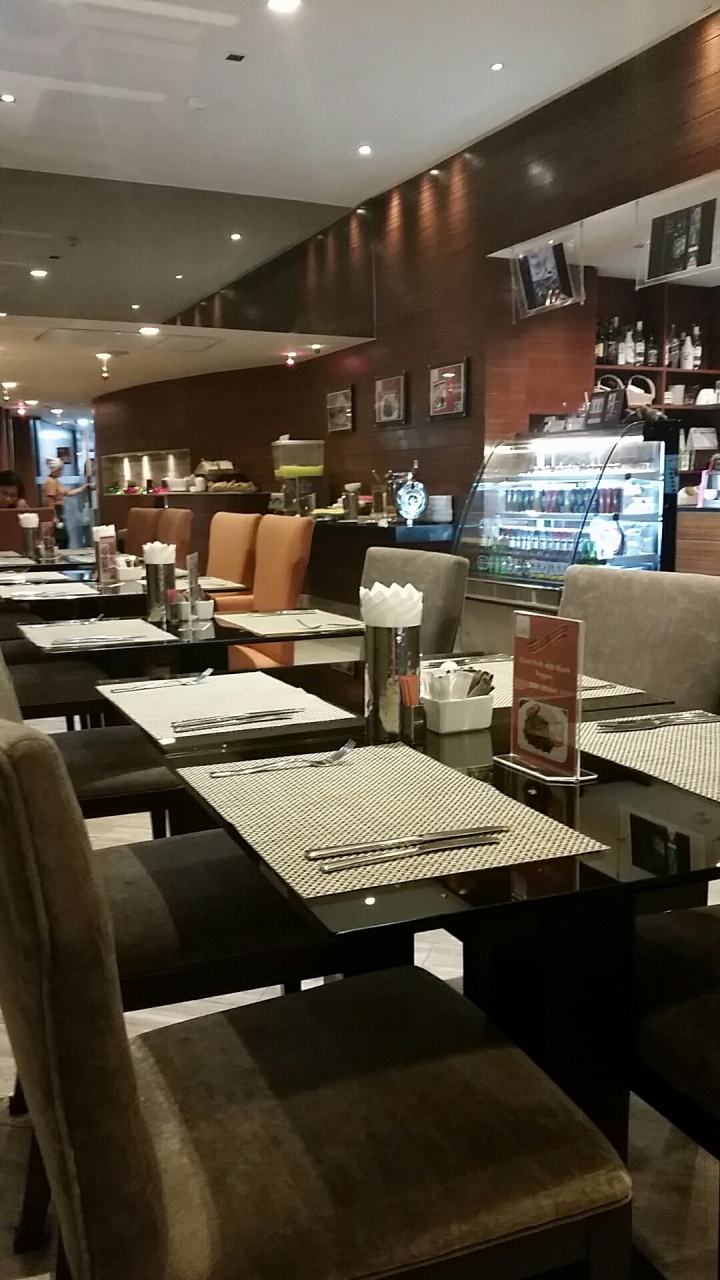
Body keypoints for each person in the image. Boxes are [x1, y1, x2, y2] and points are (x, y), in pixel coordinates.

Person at [43, 459, 87, 548]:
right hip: (56, 511)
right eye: (60, 469)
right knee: (61, 538)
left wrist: (82, 488)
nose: (62, 471)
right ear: (56, 470)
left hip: (60, 511)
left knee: (64, 537)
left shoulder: (56, 481)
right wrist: (54, 516)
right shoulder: (50, 482)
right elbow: (50, 501)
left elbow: (68, 492)